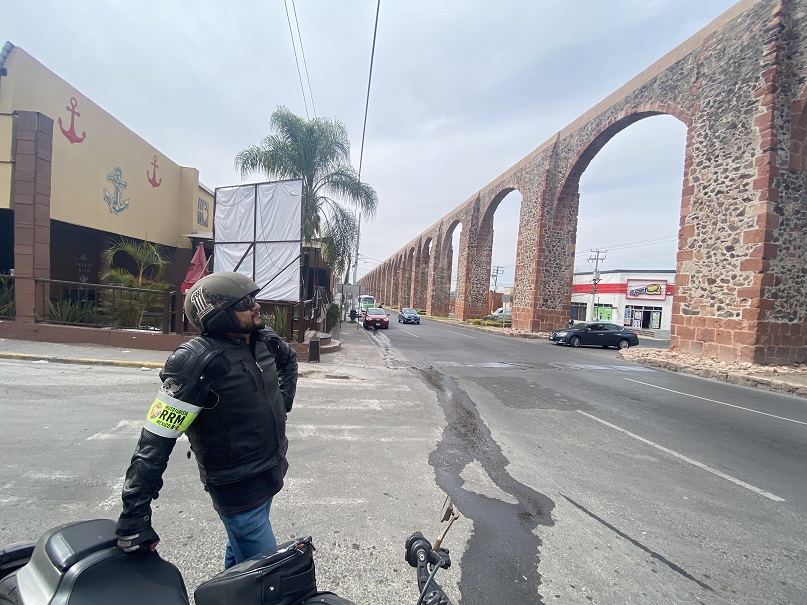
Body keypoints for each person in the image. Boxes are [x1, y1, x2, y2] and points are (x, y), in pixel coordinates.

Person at [115, 271, 298, 569]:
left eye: (254, 298)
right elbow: (156, 439)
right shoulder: (194, 362)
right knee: (267, 574)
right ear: (218, 315)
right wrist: (134, 515)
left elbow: (289, 361)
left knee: (240, 559)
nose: (256, 306)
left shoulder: (262, 339)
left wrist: (281, 405)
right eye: (245, 302)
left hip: (271, 468)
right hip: (236, 485)